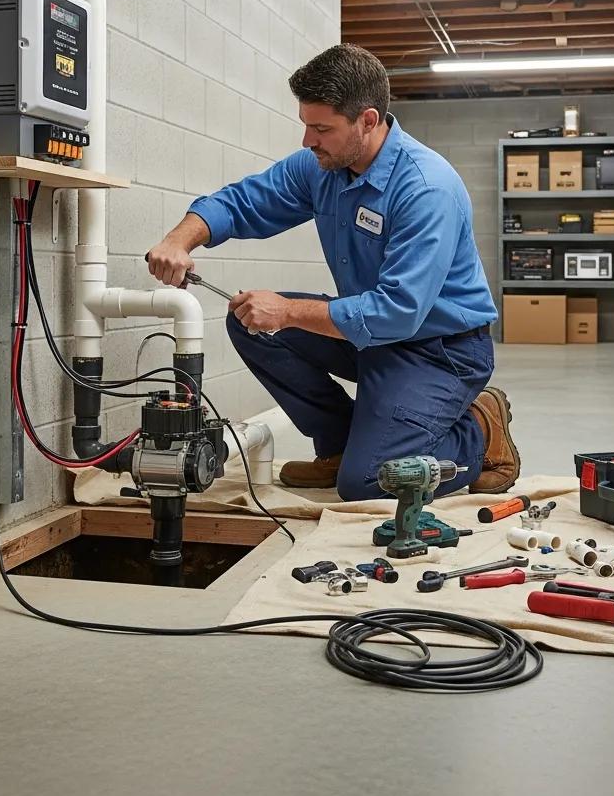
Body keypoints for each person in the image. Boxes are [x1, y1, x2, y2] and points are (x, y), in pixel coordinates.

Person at [145, 44, 519, 500]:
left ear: (367, 119)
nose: (308, 141)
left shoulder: (426, 189)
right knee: (249, 321)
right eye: (306, 125)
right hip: (372, 334)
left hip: (438, 352)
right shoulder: (322, 166)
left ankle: (479, 429)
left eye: (321, 128)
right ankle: (342, 444)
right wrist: (179, 239)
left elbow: (397, 313)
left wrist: (286, 312)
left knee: (368, 483)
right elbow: (244, 202)